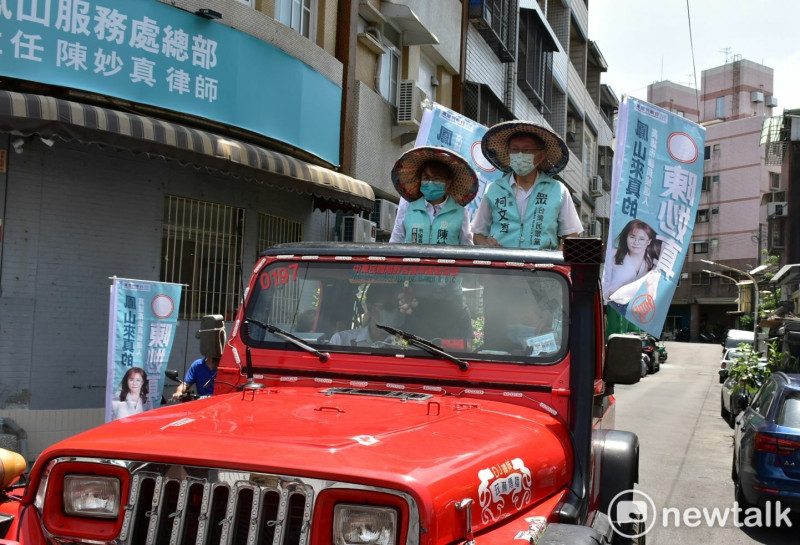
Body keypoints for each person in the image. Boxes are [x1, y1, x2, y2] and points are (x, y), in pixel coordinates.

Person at [472, 121, 583, 249]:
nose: (520, 155)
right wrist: (486, 244)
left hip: (542, 266)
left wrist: (557, 256)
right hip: (501, 266)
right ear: (508, 154)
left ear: (540, 156)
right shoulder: (494, 189)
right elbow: (478, 234)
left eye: (526, 150)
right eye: (514, 150)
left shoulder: (558, 190)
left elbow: (572, 234)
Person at [389, 146, 479, 245]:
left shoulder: (460, 212)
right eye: (426, 178)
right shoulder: (407, 207)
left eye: (436, 178)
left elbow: (467, 247)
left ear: (448, 183)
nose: (430, 182)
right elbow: (395, 241)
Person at [329, 284, 405, 347]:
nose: (395, 312)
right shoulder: (341, 341)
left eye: (399, 308)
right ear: (370, 308)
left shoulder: (407, 345)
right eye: (389, 307)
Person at [605, 219, 661, 298]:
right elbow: (604, 282)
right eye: (632, 237)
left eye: (641, 239)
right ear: (626, 237)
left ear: (649, 241)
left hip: (639, 306)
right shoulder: (613, 254)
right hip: (613, 304)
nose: (636, 242)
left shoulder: (652, 263)